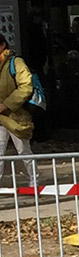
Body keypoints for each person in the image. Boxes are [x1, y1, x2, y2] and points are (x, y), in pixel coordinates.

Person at [0, 32, 36, 190]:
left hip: (16, 116)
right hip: (1, 117)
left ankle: (34, 182)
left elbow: (26, 86)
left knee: (24, 151)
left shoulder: (16, 62)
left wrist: (7, 104)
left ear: (2, 46)